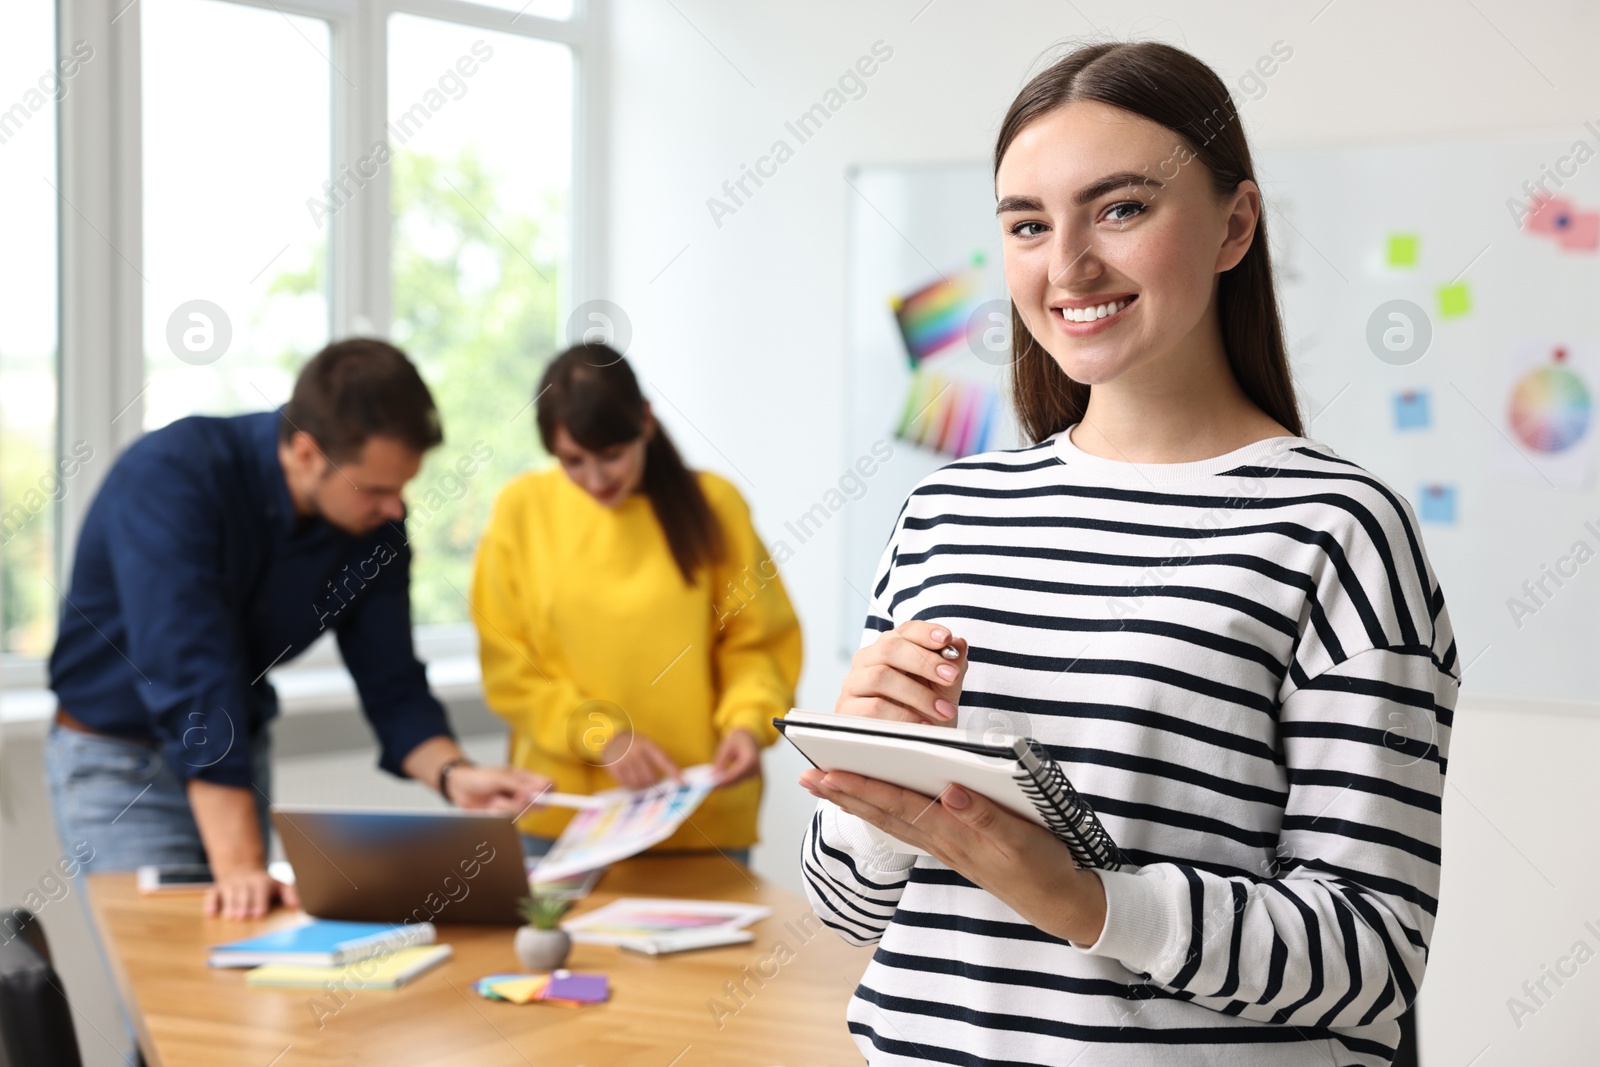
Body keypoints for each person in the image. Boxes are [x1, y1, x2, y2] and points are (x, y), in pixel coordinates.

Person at [799, 41, 1459, 1066]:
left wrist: (1087, 901)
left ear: (1233, 225)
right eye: (1027, 224)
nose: (1067, 265)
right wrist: (873, 793)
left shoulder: (1338, 530)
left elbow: (1371, 949)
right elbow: (846, 904)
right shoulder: (947, 511)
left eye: (1119, 209)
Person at [46, 338, 550, 920]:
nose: (397, 507)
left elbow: (393, 683)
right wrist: (240, 866)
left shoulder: (376, 531)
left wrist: (455, 775)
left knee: (239, 972)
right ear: (307, 452)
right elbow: (193, 679)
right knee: (168, 983)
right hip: (120, 765)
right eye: (377, 488)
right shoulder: (173, 478)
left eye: (404, 486)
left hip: (234, 756)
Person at [472, 344, 802, 866]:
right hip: (564, 816)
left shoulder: (715, 505)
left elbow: (755, 643)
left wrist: (748, 720)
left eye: (611, 456)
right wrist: (601, 736)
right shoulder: (521, 512)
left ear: (645, 422)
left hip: (702, 816)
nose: (596, 480)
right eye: (573, 461)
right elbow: (511, 670)